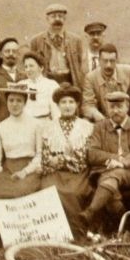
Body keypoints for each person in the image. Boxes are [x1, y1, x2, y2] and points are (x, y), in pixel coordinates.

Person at [82, 92, 130, 228]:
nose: (116, 111)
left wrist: (121, 163)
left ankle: (91, 211)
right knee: (111, 187)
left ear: (127, 107)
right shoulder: (99, 126)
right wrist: (116, 158)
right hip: (103, 171)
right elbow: (92, 153)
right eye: (112, 107)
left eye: (119, 106)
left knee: (114, 175)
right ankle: (127, 226)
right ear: (107, 108)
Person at [40, 85, 94, 236]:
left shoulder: (87, 127)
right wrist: (55, 161)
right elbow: (45, 155)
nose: (67, 106)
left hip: (78, 172)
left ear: (77, 104)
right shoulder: (48, 127)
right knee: (49, 190)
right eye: (63, 102)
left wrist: (62, 159)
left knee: (73, 192)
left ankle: (77, 231)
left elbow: (86, 156)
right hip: (55, 173)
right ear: (57, 105)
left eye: (71, 102)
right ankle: (55, 232)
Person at [0, 84, 43, 198]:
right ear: (6, 102)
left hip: (30, 170)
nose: (14, 104)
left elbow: (39, 155)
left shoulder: (36, 124)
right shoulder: (0, 127)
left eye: (19, 101)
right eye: (11, 100)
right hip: (8, 170)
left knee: (22, 191)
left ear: (25, 103)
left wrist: (25, 172)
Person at [28, 3, 88, 88]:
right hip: (46, 82)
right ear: (47, 19)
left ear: (65, 19)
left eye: (60, 16)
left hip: (69, 82)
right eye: (53, 16)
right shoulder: (36, 41)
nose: (57, 19)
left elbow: (80, 66)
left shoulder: (76, 40)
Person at [81, 44, 130, 122]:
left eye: (112, 61)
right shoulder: (91, 77)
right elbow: (87, 105)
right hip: (104, 119)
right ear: (99, 60)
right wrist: (100, 118)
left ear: (117, 60)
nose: (108, 65)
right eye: (105, 61)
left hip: (128, 119)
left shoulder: (129, 71)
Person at [22, 52, 61, 122]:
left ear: (41, 67)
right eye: (26, 67)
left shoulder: (51, 85)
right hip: (25, 124)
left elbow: (56, 112)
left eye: (31, 66)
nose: (28, 69)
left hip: (44, 123)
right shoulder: (21, 85)